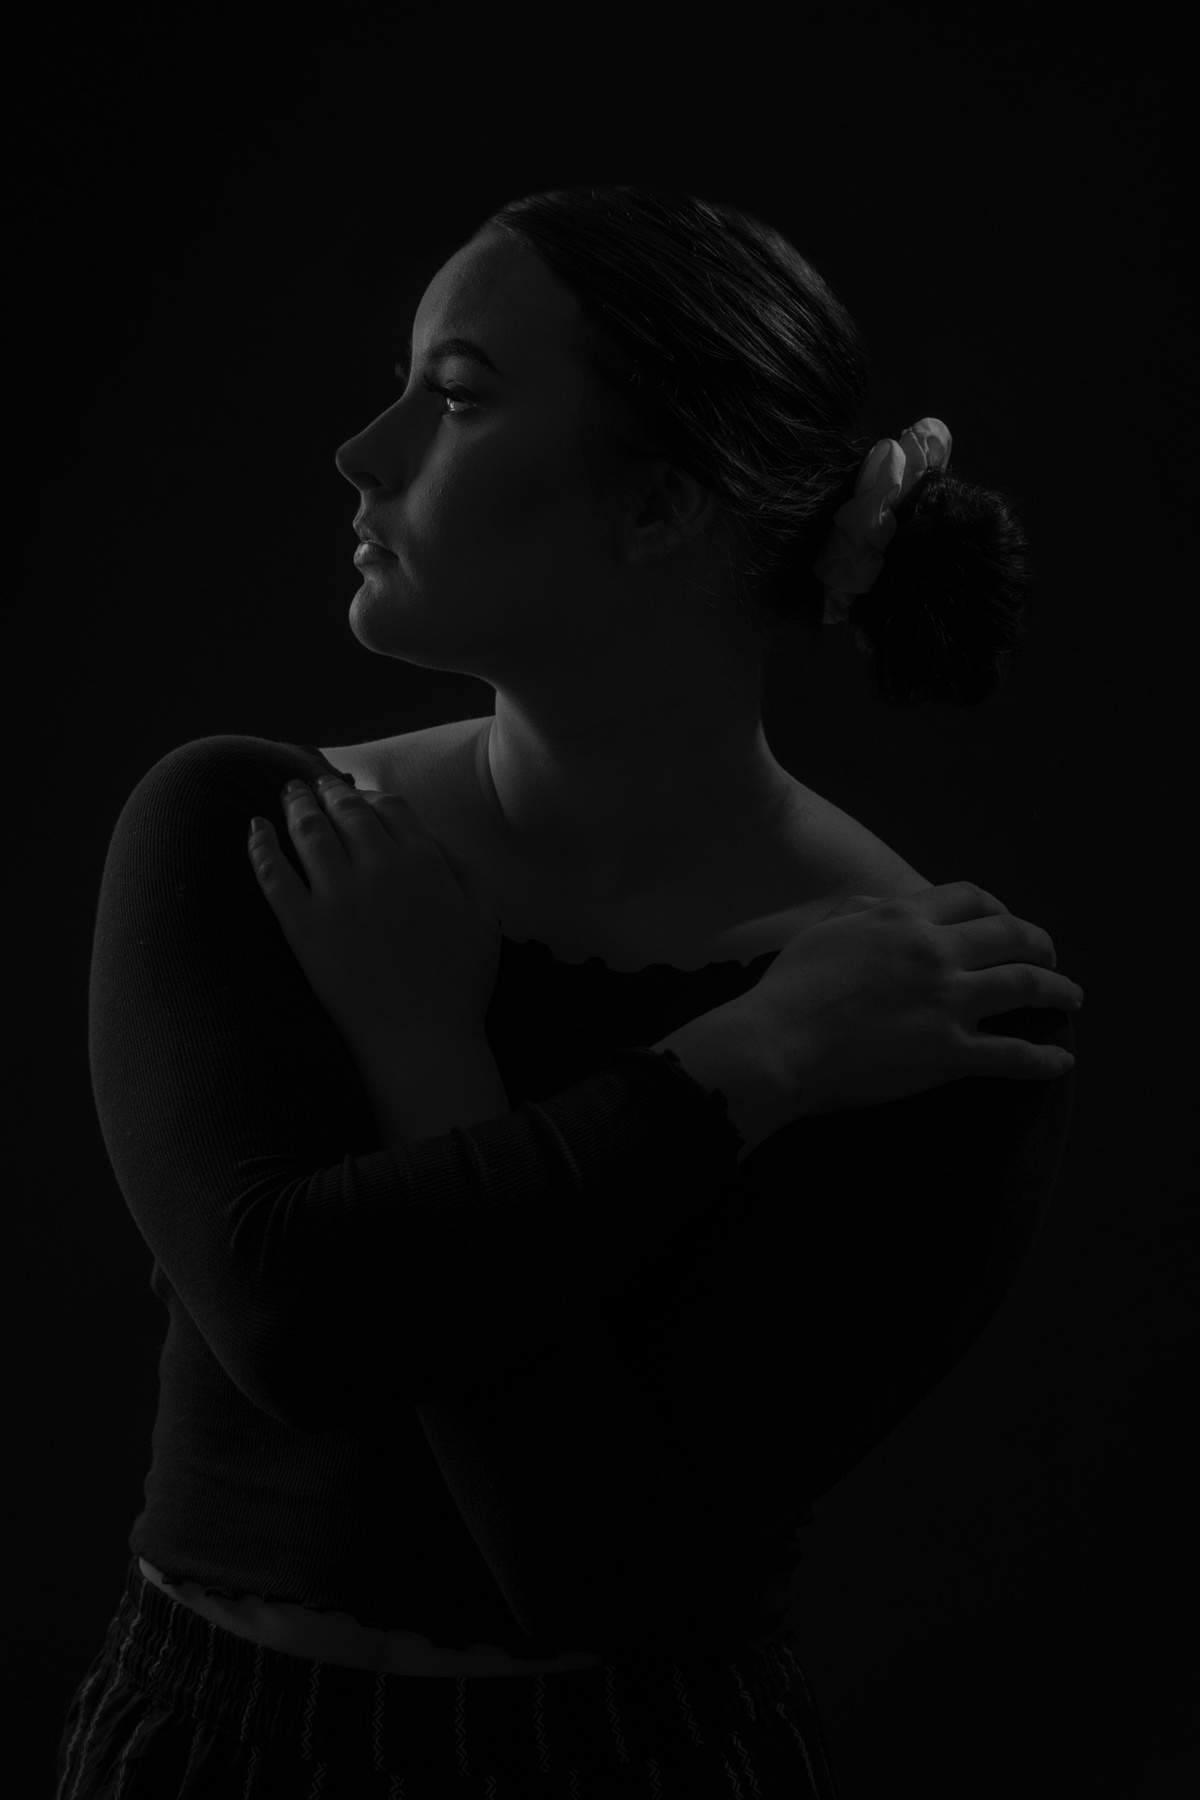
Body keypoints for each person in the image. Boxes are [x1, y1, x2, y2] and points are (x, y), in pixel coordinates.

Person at [56, 184, 1080, 1798]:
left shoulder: (940, 1007)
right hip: (206, 1750)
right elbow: (291, 1319)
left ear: (659, 504)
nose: (362, 451)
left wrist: (429, 1046)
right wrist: (746, 1063)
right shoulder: (248, 831)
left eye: (456, 396)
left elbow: (592, 1563)